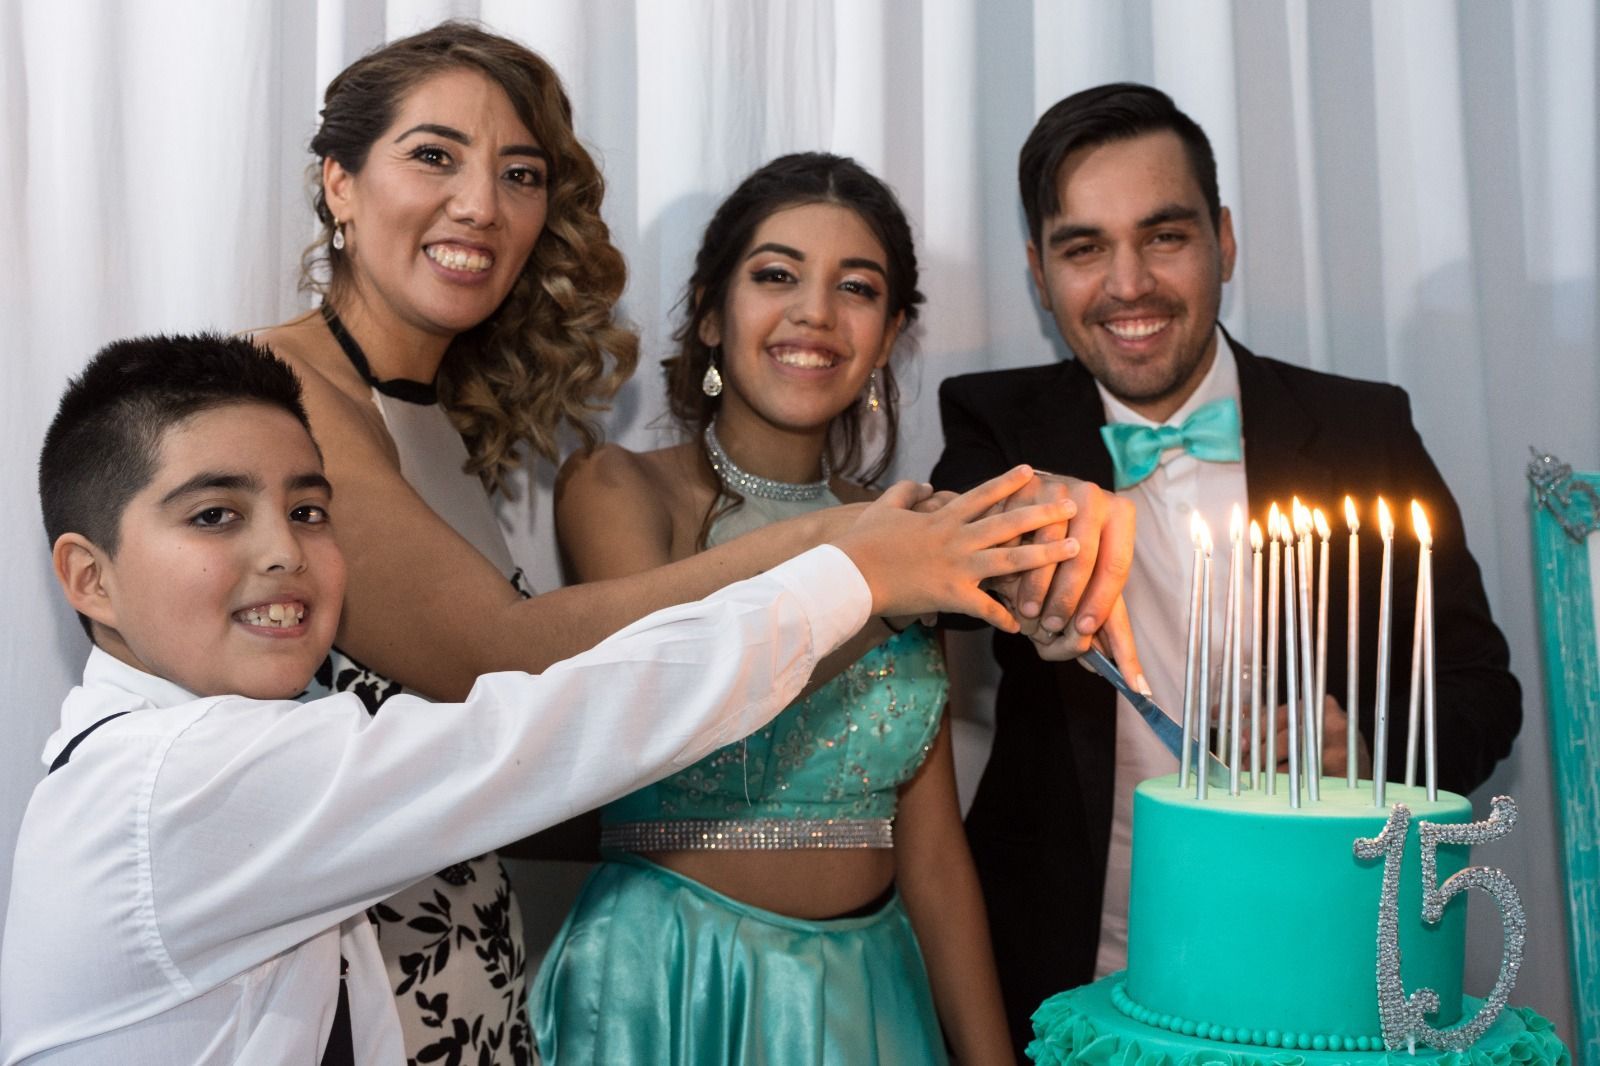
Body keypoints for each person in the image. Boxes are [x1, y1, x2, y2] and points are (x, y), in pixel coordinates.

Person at [251, 23, 1138, 1061]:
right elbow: (536, 660)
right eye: (433, 155)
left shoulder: (443, 422)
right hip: (499, 982)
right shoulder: (284, 395)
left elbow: (929, 847)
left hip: (483, 964)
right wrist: (858, 555)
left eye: (519, 172)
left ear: (892, 330)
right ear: (339, 183)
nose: (481, 204)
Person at [1, 333, 1078, 1064]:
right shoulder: (175, 781)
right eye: (213, 517)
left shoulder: (213, 751)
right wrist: (857, 573)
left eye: (311, 509)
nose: (284, 553)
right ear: (90, 577)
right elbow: (553, 728)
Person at [930, 82, 1522, 1055]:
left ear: (1225, 241)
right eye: (1083, 248)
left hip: (1321, 967)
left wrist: (1368, 746)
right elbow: (943, 557)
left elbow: (1481, 693)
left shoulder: (1362, 428)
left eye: (1164, 235)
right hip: (1067, 976)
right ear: (1038, 273)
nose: (1128, 283)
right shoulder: (998, 426)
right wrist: (1015, 542)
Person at [533, 153, 1013, 1064]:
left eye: (857, 288)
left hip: (873, 999)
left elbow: (935, 851)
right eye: (776, 275)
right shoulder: (617, 487)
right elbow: (679, 698)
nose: (815, 313)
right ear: (712, 313)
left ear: (890, 335)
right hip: (670, 984)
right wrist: (878, 569)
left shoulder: (908, 531)